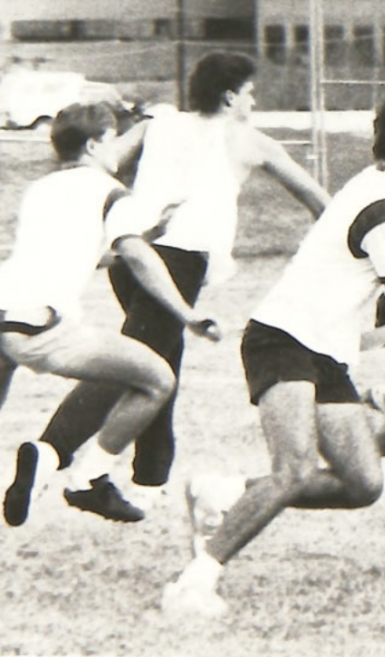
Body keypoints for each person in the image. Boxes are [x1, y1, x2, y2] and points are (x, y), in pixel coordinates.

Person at [160, 89, 385, 618]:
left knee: (364, 484)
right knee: (295, 468)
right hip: (281, 338)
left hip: (324, 353)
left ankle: (222, 491)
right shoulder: (382, 212)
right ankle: (195, 581)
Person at [19, 51, 329, 519]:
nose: (254, 99)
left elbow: (99, 163)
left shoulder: (156, 125)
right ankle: (56, 456)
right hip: (175, 261)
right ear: (229, 96)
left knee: (160, 360)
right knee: (137, 365)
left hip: (133, 254)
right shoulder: (248, 141)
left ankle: (150, 478)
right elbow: (315, 197)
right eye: (249, 91)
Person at [0, 104, 221, 526]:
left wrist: (147, 233)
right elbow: (137, 258)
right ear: (95, 143)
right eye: (113, 138)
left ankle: (47, 462)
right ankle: (88, 478)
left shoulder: (41, 188)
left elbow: (87, 255)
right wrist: (187, 314)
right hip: (42, 323)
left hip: (3, 309)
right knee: (157, 379)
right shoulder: (111, 191)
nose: (118, 149)